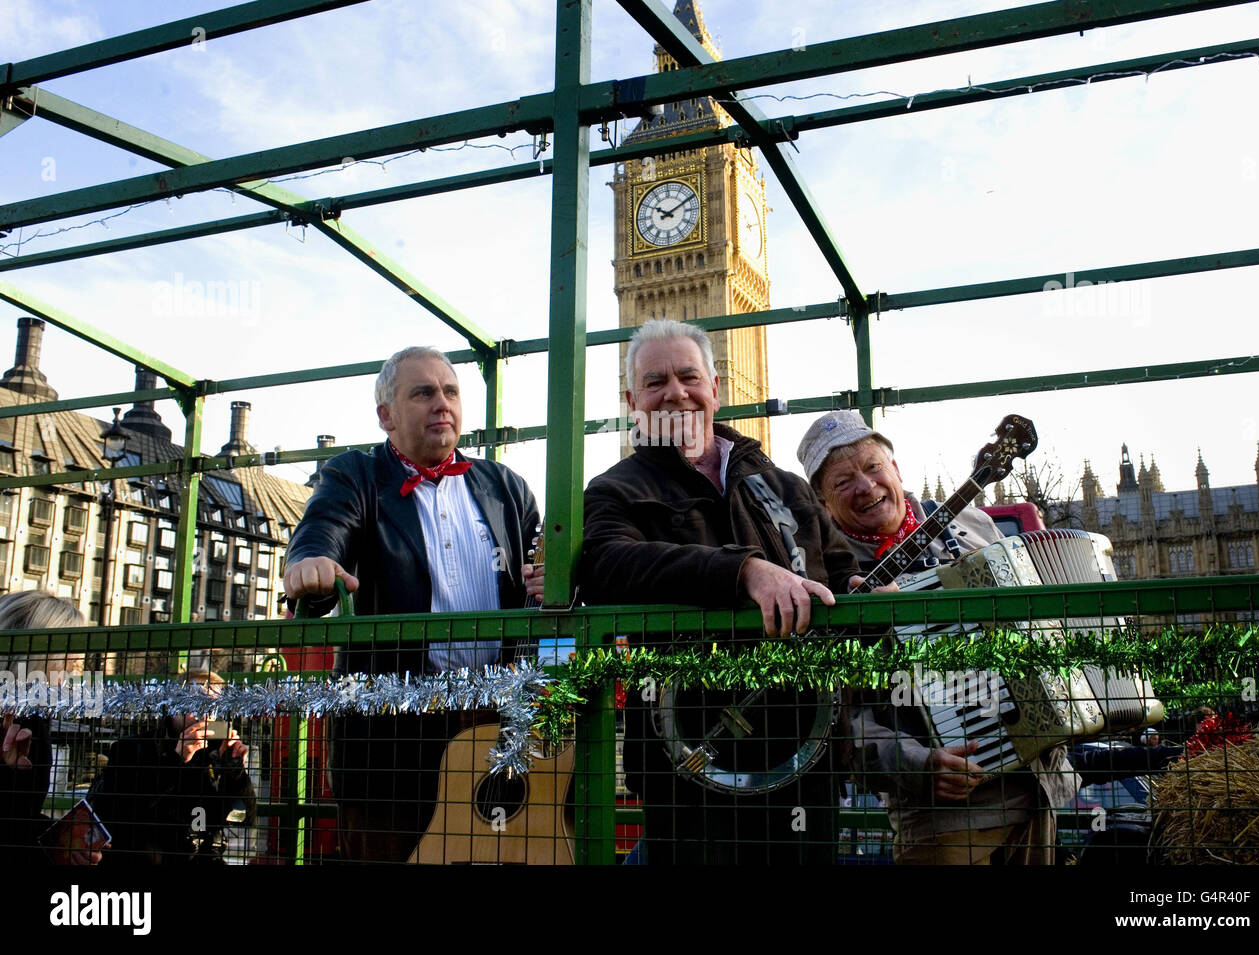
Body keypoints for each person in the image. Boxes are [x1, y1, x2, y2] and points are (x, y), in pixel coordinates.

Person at [580, 319, 863, 864]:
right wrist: (744, 572)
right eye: (655, 381)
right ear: (631, 399)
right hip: (688, 761)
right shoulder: (615, 488)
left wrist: (860, 592)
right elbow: (607, 566)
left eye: (688, 376)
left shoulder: (786, 485)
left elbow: (842, 571)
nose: (675, 392)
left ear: (715, 386)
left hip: (808, 751)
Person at [283, 345, 543, 863]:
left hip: (494, 720)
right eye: (423, 393)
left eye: (450, 391)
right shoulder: (355, 476)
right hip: (392, 729)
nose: (441, 403)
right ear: (386, 415)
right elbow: (323, 528)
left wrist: (549, 577)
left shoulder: (505, 487)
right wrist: (311, 562)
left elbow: (545, 560)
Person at [797, 409, 1076, 864]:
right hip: (943, 811)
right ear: (824, 503)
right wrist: (918, 767)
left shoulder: (974, 526)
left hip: (1041, 784)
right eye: (843, 481)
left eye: (872, 467)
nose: (865, 486)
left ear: (896, 470)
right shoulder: (826, 579)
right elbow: (835, 716)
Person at [91, 670, 255, 865]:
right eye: (197, 703)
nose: (206, 714)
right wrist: (176, 760)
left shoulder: (214, 751)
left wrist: (235, 772)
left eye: (213, 706)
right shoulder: (132, 748)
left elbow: (243, 817)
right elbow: (121, 814)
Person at [0, 591, 101, 866]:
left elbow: (21, 813)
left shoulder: (33, 714)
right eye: (68, 658)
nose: (74, 669)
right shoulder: (22, 713)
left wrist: (57, 837)